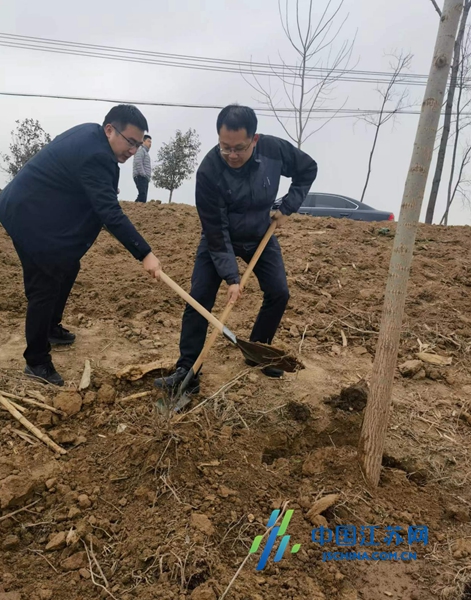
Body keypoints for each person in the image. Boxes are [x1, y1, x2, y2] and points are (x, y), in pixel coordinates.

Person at [154, 104, 317, 394]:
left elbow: (307, 169)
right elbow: (216, 232)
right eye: (224, 147)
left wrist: (287, 207)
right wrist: (232, 278)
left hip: (259, 234)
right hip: (219, 236)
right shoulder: (208, 170)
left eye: (239, 148)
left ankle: (258, 351)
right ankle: (187, 368)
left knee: (279, 292)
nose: (231, 155)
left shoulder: (273, 150)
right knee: (200, 297)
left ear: (254, 139)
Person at [0, 105, 161, 386]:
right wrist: (144, 253)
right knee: (45, 282)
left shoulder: (93, 135)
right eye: (131, 142)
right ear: (110, 129)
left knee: (68, 265)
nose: (134, 150)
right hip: (28, 215)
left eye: (138, 144)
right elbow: (110, 213)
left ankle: (50, 327)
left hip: (35, 207)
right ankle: (37, 361)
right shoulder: (97, 155)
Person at [133, 134, 152, 203]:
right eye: (148, 141)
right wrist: (143, 174)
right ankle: (135, 208)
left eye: (151, 142)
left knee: (143, 196)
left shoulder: (145, 152)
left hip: (144, 177)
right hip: (140, 176)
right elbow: (138, 162)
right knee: (142, 196)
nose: (150, 144)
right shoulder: (140, 150)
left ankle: (138, 209)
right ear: (143, 141)